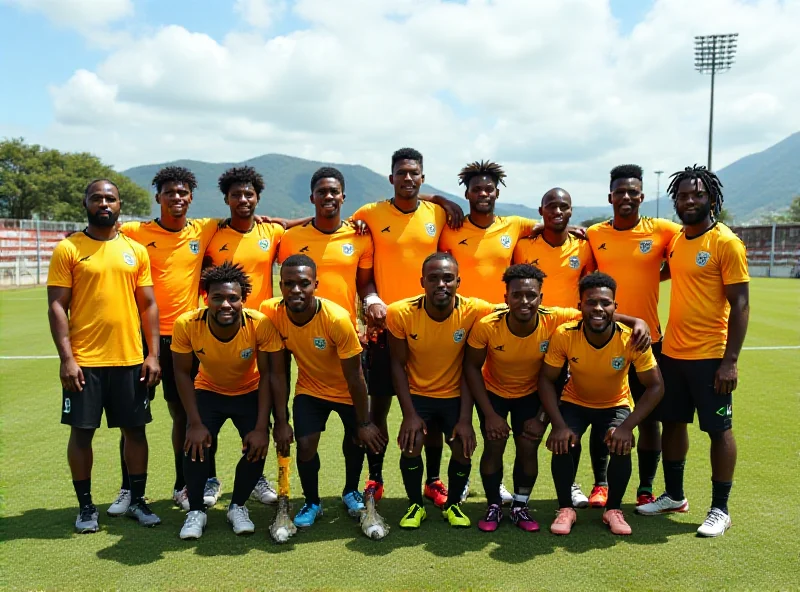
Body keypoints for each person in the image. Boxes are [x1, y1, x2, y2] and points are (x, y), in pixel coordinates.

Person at [465, 264, 651, 532]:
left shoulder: (555, 318)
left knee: (528, 446)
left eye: (531, 295)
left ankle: (520, 506)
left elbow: (598, 313)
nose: (524, 301)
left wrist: (637, 322)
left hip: (531, 394)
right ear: (506, 298)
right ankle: (493, 504)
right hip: (495, 393)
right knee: (494, 445)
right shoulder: (488, 326)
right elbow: (472, 367)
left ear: (541, 298)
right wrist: (491, 415)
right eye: (517, 295)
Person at [637, 166, 749, 538]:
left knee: (719, 429)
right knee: (673, 422)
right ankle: (674, 495)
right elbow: (667, 271)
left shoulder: (726, 243)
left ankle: (720, 509)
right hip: (672, 352)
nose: (689, 201)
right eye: (683, 196)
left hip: (711, 356)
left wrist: (730, 361)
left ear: (711, 199)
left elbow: (741, 304)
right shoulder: (678, 241)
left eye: (696, 195)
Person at [47, 178, 162, 533]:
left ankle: (138, 501)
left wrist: (153, 354)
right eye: (97, 198)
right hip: (85, 362)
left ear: (120, 205)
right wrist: (67, 358)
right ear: (85, 203)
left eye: (110, 198)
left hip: (129, 359)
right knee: (82, 434)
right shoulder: (69, 249)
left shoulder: (135, 250)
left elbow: (149, 306)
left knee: (135, 431)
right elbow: (56, 305)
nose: (104, 203)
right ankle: (86, 508)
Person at [353, 148, 464, 508]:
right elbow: (363, 273)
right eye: (401, 173)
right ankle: (376, 478)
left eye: (414, 173)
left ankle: (433, 481)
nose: (408, 179)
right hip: (386, 330)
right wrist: (370, 301)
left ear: (422, 177)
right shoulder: (369, 214)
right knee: (379, 409)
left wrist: (442, 198)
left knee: (430, 408)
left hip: (432, 327)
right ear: (391, 178)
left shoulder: (436, 213)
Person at [114, 166, 218, 514]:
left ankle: (183, 485)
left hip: (184, 338)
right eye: (170, 192)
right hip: (140, 338)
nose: (177, 197)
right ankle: (129, 489)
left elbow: (260, 220)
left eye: (183, 192)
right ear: (157, 197)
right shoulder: (133, 231)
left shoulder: (204, 229)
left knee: (184, 415)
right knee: (131, 416)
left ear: (191, 198)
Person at [260, 255, 387, 527]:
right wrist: (281, 422)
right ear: (280, 285)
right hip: (310, 389)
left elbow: (355, 375)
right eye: (289, 284)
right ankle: (312, 502)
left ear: (315, 284)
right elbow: (278, 372)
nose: (296, 290)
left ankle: (350, 491)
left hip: (346, 389)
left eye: (303, 284)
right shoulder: (271, 312)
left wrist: (364, 422)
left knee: (356, 440)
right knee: (305, 445)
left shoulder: (337, 319)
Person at [585, 164, 682, 508]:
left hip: (647, 340)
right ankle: (600, 484)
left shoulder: (663, 231)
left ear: (642, 196)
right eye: (620, 192)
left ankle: (645, 487)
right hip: (604, 336)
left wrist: (657, 280)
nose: (626, 197)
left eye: (633, 192)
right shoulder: (594, 234)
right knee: (602, 414)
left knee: (649, 419)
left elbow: (684, 256)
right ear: (609, 197)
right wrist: (628, 317)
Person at [539, 272, 664, 536]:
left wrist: (628, 427)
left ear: (615, 307)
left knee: (620, 441)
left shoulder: (632, 338)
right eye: (591, 302)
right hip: (575, 400)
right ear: (579, 306)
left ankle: (613, 509)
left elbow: (656, 387)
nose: (598, 308)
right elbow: (546, 381)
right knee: (564, 439)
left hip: (615, 403)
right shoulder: (565, 334)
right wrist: (558, 425)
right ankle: (565, 508)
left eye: (605, 303)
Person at [172, 262, 285, 539]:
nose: (226, 304)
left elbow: (269, 374)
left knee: (257, 445)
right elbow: (181, 373)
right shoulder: (187, 324)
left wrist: (261, 427)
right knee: (195, 443)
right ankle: (196, 510)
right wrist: (194, 423)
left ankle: (238, 506)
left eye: (233, 298)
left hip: (249, 391)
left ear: (243, 300)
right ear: (205, 298)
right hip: (208, 390)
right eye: (218, 298)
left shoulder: (259, 324)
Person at [204, 165, 295, 506]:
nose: (243, 199)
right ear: (226, 199)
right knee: (207, 410)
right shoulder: (212, 233)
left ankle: (256, 477)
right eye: (236, 195)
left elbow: (295, 228)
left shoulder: (271, 232)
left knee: (262, 408)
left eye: (249, 194)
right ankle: (209, 479)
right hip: (219, 332)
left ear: (258, 198)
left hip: (262, 332)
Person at [387, 252, 500, 528]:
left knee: (463, 447)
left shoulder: (476, 310)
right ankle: (416, 505)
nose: (441, 284)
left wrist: (465, 420)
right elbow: (397, 365)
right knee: (412, 445)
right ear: (422, 281)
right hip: (417, 394)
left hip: (455, 396)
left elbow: (519, 307)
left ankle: (453, 506)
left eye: (448, 278)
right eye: (434, 278)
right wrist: (409, 415)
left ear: (458, 282)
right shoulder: (400, 312)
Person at [512, 187, 596, 508]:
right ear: (541, 210)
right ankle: (509, 483)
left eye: (564, 206)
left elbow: (591, 289)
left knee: (565, 415)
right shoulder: (522, 246)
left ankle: (571, 483)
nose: (557, 211)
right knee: (522, 416)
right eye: (551, 206)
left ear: (572, 211)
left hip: (570, 342)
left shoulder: (584, 248)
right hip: (531, 338)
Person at [276, 167, 378, 329]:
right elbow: (286, 284)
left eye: (334, 191)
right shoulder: (291, 237)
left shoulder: (359, 236)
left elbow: (364, 284)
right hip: (302, 329)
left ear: (342, 197)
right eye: (322, 192)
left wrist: (373, 303)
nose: (328, 196)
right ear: (312, 198)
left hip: (346, 327)